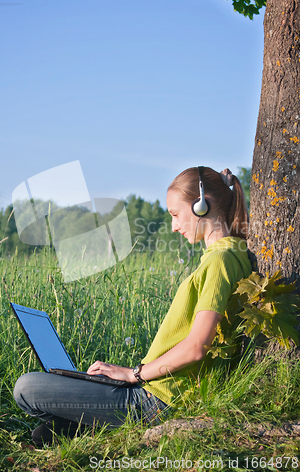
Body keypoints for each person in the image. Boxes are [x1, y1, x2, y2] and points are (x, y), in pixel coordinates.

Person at [13, 166, 252, 447]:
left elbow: (197, 346)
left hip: (160, 399)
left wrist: (133, 374)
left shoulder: (220, 260)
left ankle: (97, 426)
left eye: (176, 214)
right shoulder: (230, 254)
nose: (174, 226)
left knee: (26, 387)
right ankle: (91, 428)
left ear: (202, 205)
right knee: (45, 430)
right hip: (157, 390)